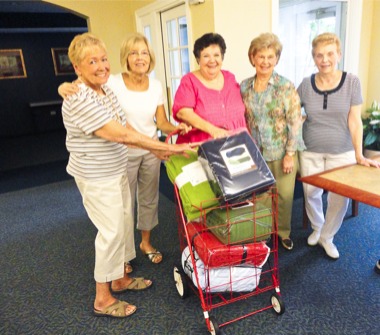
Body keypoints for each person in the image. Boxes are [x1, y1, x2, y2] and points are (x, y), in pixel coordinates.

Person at [62, 32, 192, 318]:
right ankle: (103, 298)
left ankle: (119, 277)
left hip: (114, 168)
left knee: (122, 224)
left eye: (103, 59)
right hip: (97, 176)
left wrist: (158, 148)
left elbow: (129, 128)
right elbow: (119, 133)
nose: (101, 66)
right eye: (91, 61)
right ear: (77, 68)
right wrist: (160, 146)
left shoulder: (105, 90)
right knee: (110, 233)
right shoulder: (79, 98)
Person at [297, 32, 380, 259]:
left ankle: (327, 235)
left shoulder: (351, 82)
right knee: (311, 193)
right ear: (314, 58)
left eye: (330, 54)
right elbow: (294, 113)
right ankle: (317, 227)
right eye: (319, 55)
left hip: (341, 151)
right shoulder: (305, 85)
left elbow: (354, 121)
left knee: (339, 199)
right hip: (310, 150)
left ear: (339, 54)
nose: (325, 59)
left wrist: (358, 154)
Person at [240, 33, 305, 251]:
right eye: (261, 56)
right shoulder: (244, 87)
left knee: (285, 196)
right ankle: (264, 233)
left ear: (276, 59)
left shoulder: (285, 86)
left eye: (270, 56)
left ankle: (283, 232)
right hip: (256, 153)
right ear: (253, 58)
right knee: (261, 196)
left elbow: (295, 122)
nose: (265, 61)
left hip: (282, 151)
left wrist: (290, 154)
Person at [172, 32, 247, 143]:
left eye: (216, 55)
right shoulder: (189, 81)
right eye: (206, 56)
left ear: (222, 57)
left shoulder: (230, 78)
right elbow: (183, 112)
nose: (212, 60)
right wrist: (213, 130)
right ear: (198, 59)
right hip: (202, 147)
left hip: (234, 146)